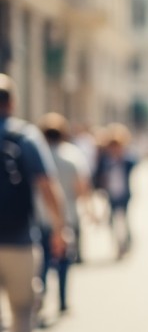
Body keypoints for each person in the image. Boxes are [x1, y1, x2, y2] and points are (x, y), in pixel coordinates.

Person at [0, 74, 66, 332]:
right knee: (23, 311)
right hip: (20, 241)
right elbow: (47, 186)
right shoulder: (25, 137)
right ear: (12, 102)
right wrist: (60, 228)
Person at [38, 112, 93, 314]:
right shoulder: (72, 155)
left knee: (43, 259)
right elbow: (82, 187)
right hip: (67, 216)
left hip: (41, 217)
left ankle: (41, 295)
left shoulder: (38, 154)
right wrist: (87, 208)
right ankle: (62, 299)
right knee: (64, 260)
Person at [92, 123, 137, 259]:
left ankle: (125, 243)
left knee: (124, 219)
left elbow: (135, 161)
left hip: (124, 193)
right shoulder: (105, 161)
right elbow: (97, 175)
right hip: (110, 193)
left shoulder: (126, 160)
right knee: (112, 220)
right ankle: (118, 244)